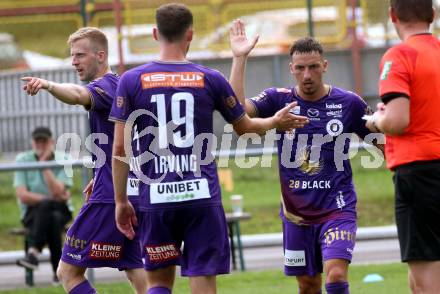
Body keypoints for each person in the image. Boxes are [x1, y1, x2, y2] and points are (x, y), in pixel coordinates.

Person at [109, 3, 302, 294]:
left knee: (159, 283)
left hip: (156, 198)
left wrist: (121, 200)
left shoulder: (131, 80)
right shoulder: (210, 79)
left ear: (154, 33)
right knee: (203, 279)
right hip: (201, 197)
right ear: (190, 34)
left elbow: (120, 147)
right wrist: (274, 120)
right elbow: (245, 127)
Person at [229, 20, 380, 294]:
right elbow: (238, 111)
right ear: (291, 69)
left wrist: (404, 171)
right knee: (308, 285)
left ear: (325, 66)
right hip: (295, 214)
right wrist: (240, 58)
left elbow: (381, 142)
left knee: (335, 275)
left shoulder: (348, 103)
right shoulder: (277, 100)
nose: (307, 74)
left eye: (313, 66)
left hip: (338, 208)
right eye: (300, 68)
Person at [21, 27, 146, 294]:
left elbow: (78, 95)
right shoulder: (125, 87)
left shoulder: (104, 87)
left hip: (110, 198)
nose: (74, 61)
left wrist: (48, 84)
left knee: (68, 272)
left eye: (80, 55)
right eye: (72, 56)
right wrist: (100, 175)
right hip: (134, 192)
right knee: (137, 271)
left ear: (100, 56)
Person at [364, 0, 440, 293]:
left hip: (419, 172)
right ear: (432, 15)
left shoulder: (399, 55)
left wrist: (377, 120)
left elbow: (397, 121)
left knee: (426, 271)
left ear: (393, 15)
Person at [14, 126, 73, 285]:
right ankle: (58, 274)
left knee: (51, 212)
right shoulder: (22, 159)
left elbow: (58, 191)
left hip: (62, 209)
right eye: (37, 140)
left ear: (51, 142)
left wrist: (43, 164)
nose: (40, 144)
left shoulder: (64, 158)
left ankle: (33, 253)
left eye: (44, 141)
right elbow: (22, 195)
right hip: (33, 212)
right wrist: (52, 198)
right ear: (31, 142)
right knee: (52, 218)